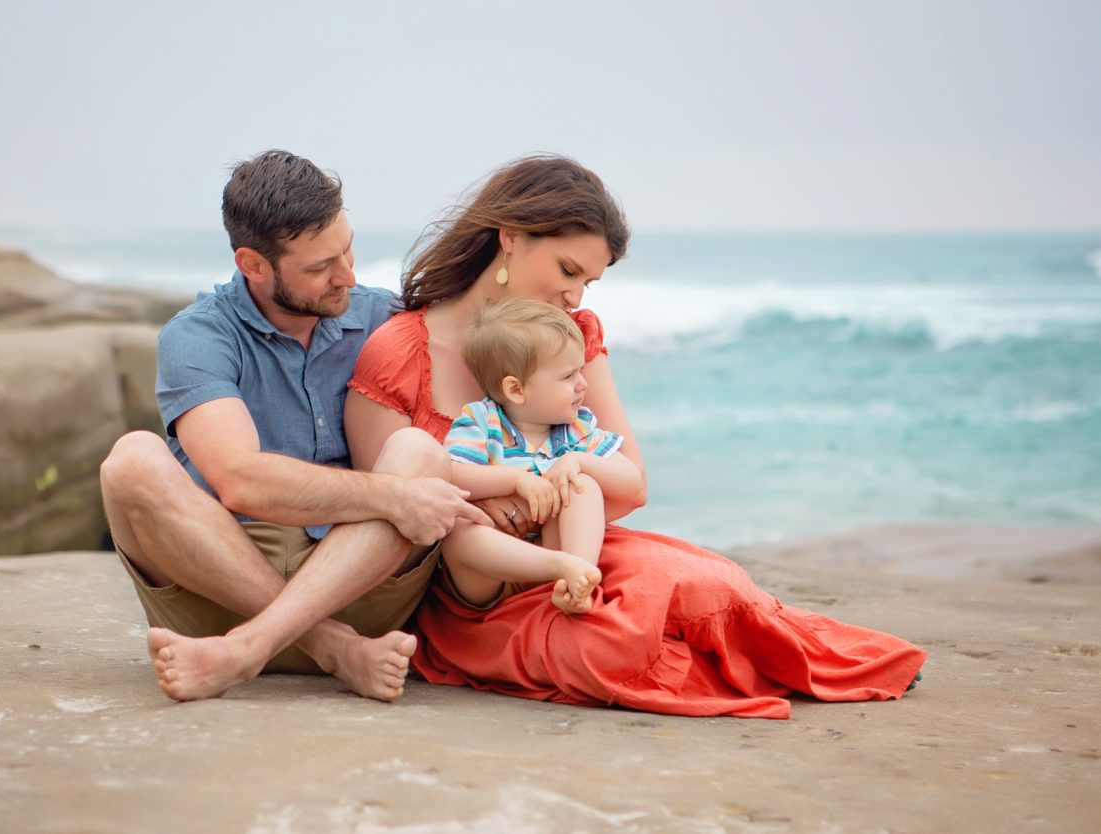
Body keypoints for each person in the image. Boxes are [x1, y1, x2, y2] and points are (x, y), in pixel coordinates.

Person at [344, 153, 927, 719]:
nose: (575, 297)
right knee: (612, 645)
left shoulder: (573, 335)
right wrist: (495, 495)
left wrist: (557, 477)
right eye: (568, 271)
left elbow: (631, 485)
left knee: (704, 583)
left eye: (588, 282)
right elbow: (393, 523)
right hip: (471, 590)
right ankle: (710, 663)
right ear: (511, 237)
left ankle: (799, 658)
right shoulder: (400, 353)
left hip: (575, 541)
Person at [98, 150, 491, 702]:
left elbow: (510, 334)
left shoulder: (387, 318)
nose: (348, 276)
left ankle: (250, 649)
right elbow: (240, 480)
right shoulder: (198, 337)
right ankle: (329, 648)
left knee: (416, 451)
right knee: (132, 458)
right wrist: (393, 497)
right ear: (253, 265)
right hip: (217, 599)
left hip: (356, 586)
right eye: (319, 267)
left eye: (347, 249)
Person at [440, 296, 642, 615]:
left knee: (584, 484)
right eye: (567, 376)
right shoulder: (482, 421)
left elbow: (633, 483)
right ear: (516, 390)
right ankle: (563, 566)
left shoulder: (575, 429)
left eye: (580, 372)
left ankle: (578, 579)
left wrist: (578, 461)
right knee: (460, 530)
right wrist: (518, 480)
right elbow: (450, 474)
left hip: (553, 557)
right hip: (491, 575)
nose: (583, 384)